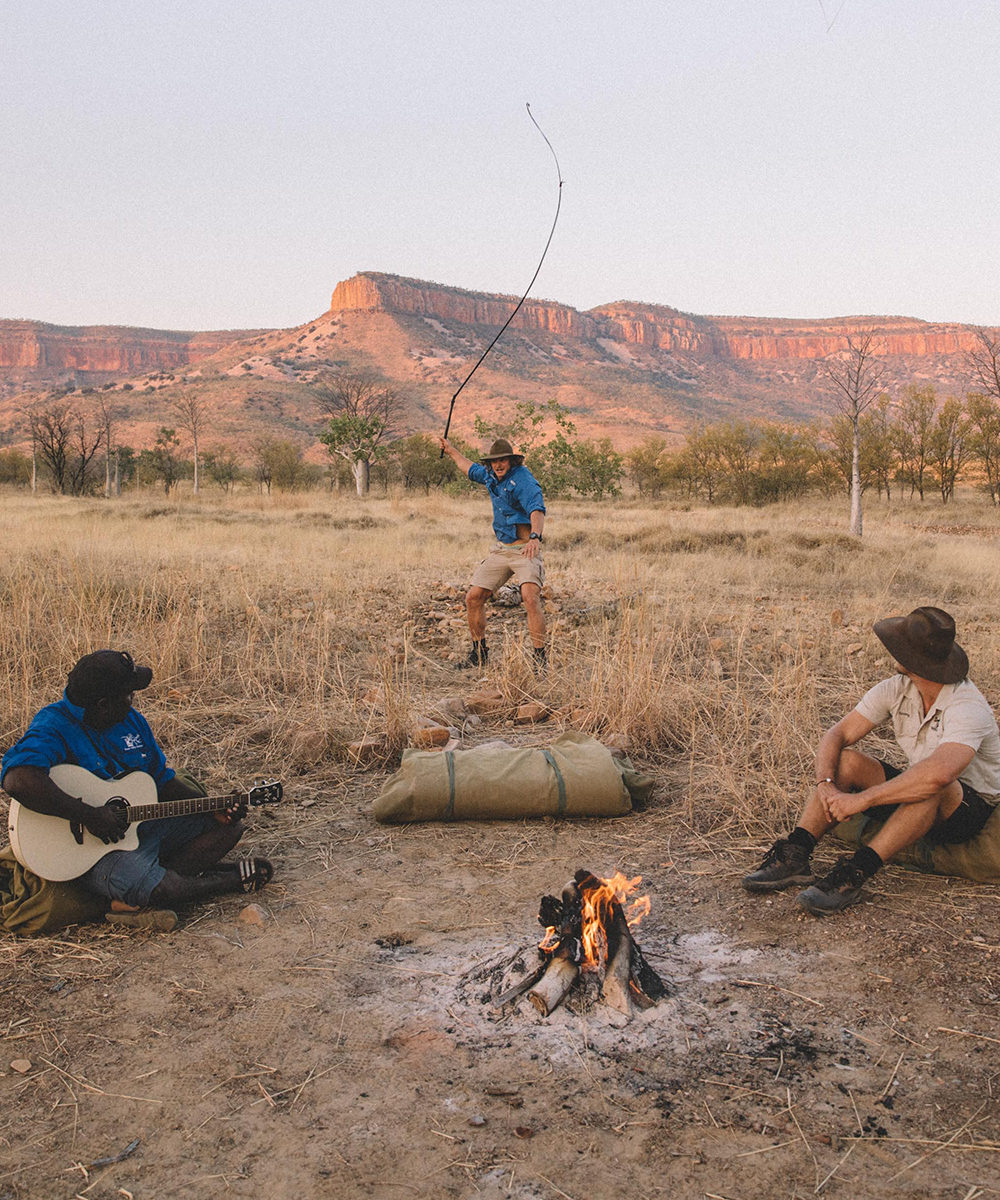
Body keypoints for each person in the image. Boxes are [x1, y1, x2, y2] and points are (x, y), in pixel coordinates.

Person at [744, 606, 1000, 916]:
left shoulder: (967, 706)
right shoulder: (899, 688)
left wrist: (861, 801)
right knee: (848, 762)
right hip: (924, 789)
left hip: (968, 810)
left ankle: (854, 873)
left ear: (913, 659)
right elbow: (837, 734)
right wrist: (825, 784)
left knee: (931, 785)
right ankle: (796, 854)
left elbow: (939, 775)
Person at [2, 650, 273, 927]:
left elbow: (161, 781)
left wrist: (213, 806)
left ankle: (141, 891)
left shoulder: (131, 722)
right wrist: (90, 815)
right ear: (103, 705)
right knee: (166, 890)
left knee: (229, 827)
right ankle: (222, 881)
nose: (133, 700)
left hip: (140, 827)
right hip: (92, 850)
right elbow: (19, 780)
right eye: (128, 694)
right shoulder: (53, 726)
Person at [438, 436, 547, 668]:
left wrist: (535, 537)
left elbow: (537, 509)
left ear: (511, 461)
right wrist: (451, 451)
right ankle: (479, 654)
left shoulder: (524, 480)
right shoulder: (489, 475)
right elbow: (468, 467)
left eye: (503, 461)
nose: (498, 465)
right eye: (494, 461)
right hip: (501, 549)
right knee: (473, 597)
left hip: (524, 549)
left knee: (530, 597)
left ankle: (540, 660)